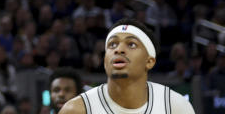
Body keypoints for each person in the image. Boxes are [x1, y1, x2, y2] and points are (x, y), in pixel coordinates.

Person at [57, 18, 194, 114]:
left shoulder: (175, 106)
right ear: (105, 61)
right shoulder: (76, 110)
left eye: (131, 44)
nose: (119, 50)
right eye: (112, 44)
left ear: (149, 61)